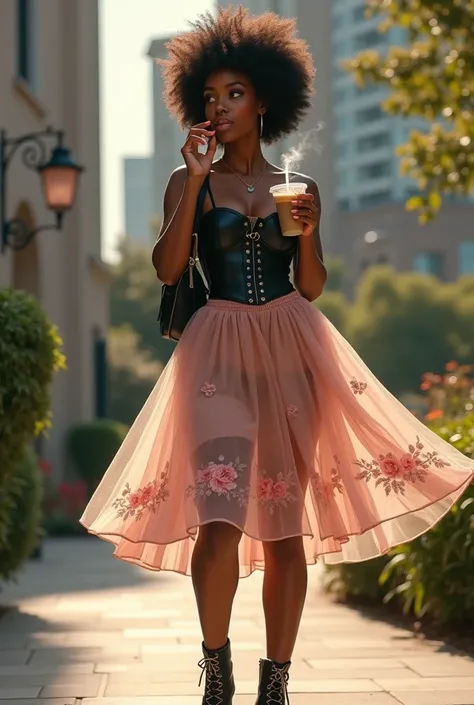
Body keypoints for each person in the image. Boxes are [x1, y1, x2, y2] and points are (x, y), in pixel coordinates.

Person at [80, 7, 474, 705]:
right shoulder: (187, 181)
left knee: (287, 525)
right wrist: (196, 180)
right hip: (216, 357)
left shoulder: (301, 187)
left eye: (234, 94)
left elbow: (312, 285)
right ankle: (216, 664)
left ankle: (277, 681)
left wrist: (312, 233)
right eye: (210, 96)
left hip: (294, 351)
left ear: (264, 99)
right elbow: (170, 267)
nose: (220, 107)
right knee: (220, 518)